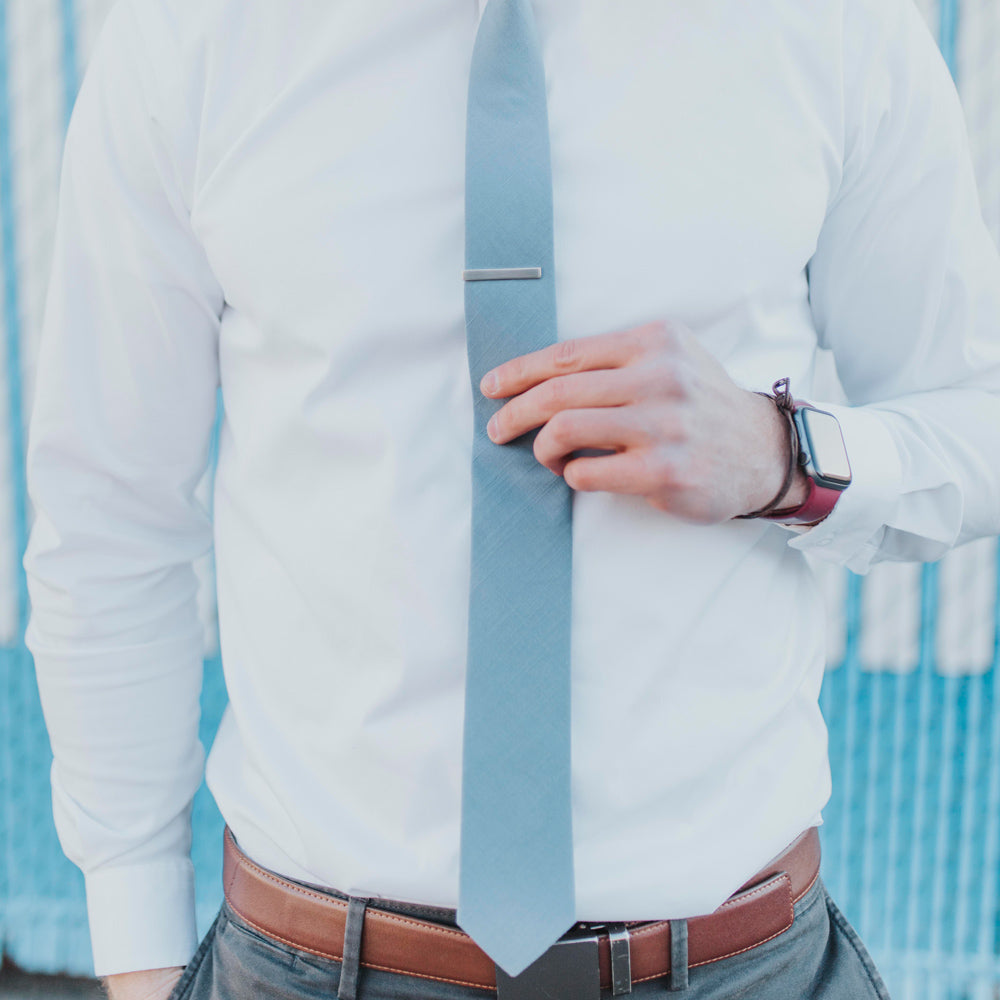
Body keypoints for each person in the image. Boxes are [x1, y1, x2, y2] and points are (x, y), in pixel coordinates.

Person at [22, 0, 1000, 997]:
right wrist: (137, 947)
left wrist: (782, 454)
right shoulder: (195, 36)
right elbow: (109, 514)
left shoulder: (831, 26)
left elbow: (976, 420)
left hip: (737, 965)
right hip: (305, 967)